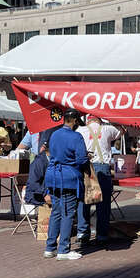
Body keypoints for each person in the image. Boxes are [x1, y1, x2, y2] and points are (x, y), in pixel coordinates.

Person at [44, 108, 89, 260]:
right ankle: (63, 249)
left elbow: (52, 152)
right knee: (68, 213)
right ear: (75, 121)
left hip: (52, 176)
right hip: (68, 178)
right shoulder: (76, 136)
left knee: (56, 212)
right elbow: (82, 159)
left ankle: (50, 248)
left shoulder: (54, 134)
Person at [77, 115, 124, 244]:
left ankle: (82, 233)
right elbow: (122, 130)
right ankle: (101, 235)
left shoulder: (80, 130)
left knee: (83, 201)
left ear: (87, 120)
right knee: (103, 203)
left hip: (86, 167)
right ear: (100, 120)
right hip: (102, 167)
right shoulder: (107, 129)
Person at [25, 141, 52, 207]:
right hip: (36, 195)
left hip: (48, 192)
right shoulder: (39, 162)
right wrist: (44, 194)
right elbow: (32, 183)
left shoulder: (52, 160)